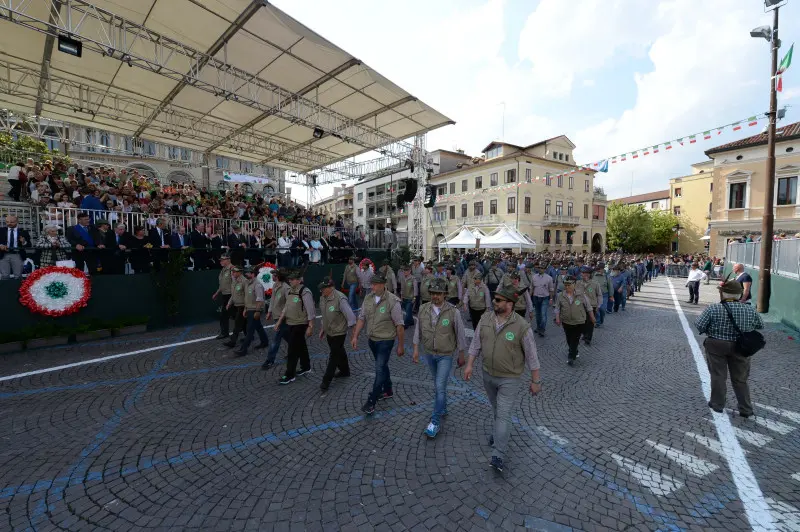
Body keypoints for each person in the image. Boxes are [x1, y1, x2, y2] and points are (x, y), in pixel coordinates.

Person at [464, 286, 542, 472]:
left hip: (510, 378)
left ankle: (498, 453)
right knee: (497, 408)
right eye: (494, 299)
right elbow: (476, 343)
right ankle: (498, 434)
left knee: (504, 414)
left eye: (498, 300)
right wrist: (469, 364)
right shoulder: (485, 318)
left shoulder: (522, 326)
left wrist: (535, 381)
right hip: (488, 374)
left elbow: (532, 356)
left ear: (510, 304)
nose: (494, 302)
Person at [695, 280, 764, 417]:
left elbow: (699, 325)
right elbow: (760, 325)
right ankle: (745, 408)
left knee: (718, 376)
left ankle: (717, 404)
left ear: (722, 294)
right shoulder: (749, 309)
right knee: (740, 379)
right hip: (741, 347)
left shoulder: (713, 308)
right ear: (739, 294)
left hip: (716, 345)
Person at [412, 278, 467, 438]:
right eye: (433, 293)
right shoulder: (423, 309)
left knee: (439, 386)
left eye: (439, 293)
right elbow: (418, 331)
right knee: (438, 384)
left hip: (445, 355)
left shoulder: (453, 312)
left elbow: (461, 334)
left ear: (445, 294)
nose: (435, 296)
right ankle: (442, 408)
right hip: (429, 353)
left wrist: (461, 354)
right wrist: (416, 349)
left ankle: (434, 422)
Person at [351, 273, 405, 415]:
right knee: (382, 366)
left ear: (383, 285)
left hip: (386, 341)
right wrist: (355, 336)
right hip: (372, 340)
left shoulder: (393, 301)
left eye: (375, 284)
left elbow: (399, 325)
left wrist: (400, 345)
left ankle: (371, 401)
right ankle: (388, 390)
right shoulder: (368, 299)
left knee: (379, 369)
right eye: (372, 284)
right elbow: (361, 318)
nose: (372, 287)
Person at [275, 270, 315, 384]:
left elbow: (310, 310)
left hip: (300, 323)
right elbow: (286, 307)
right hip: (291, 322)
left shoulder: (305, 292)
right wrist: (279, 321)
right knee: (301, 345)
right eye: (289, 279)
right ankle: (306, 366)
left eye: (292, 279)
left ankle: (289, 374)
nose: (290, 281)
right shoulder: (290, 291)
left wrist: (310, 326)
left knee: (292, 349)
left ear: (299, 280)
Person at [318, 277, 357, 391]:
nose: (322, 290)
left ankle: (326, 380)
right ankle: (345, 371)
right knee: (339, 351)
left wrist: (354, 333)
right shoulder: (322, 298)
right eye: (321, 288)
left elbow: (350, 316)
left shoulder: (340, 298)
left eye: (324, 288)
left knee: (334, 355)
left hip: (339, 331)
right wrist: (322, 328)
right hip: (329, 330)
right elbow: (324, 315)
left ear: (331, 287)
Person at [554, 276, 595, 366]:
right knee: (569, 339)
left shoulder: (581, 295)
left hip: (579, 321)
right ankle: (574, 350)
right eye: (566, 285)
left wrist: (592, 318)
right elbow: (557, 308)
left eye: (569, 285)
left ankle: (571, 357)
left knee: (575, 338)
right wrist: (557, 318)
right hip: (566, 321)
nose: (567, 287)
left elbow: (588, 307)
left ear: (574, 284)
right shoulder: (560, 295)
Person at [234, 266, 269, 356]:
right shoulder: (248, 284)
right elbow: (247, 298)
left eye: (248, 273)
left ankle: (243, 349)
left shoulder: (257, 285)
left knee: (250, 330)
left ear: (253, 274)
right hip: (250, 309)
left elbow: (260, 299)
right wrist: (245, 308)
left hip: (254, 310)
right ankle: (265, 341)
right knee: (258, 327)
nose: (246, 274)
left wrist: (257, 311)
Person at [262, 269, 290, 370]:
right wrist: (269, 312)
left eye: (273, 275)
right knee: (288, 337)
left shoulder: (286, 288)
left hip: (282, 318)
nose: (272, 276)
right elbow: (273, 299)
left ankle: (270, 360)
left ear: (277, 276)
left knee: (276, 340)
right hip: (276, 316)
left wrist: (280, 319)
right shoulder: (275, 286)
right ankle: (297, 350)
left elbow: (288, 304)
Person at [576, 267, 602, 346]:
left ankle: (588, 338)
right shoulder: (577, 283)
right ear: (581, 274)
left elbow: (599, 295)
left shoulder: (595, 283)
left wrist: (599, 305)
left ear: (590, 274)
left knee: (590, 323)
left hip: (592, 305)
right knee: (582, 322)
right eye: (583, 273)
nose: (585, 275)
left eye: (587, 273)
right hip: (580, 305)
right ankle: (584, 333)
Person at [0, 215, 31, 280]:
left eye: (12, 222)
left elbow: (29, 245)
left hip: (17, 255)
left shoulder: (23, 232)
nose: (9, 223)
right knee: (4, 276)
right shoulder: (1, 231)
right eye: (7, 222)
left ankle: (17, 290)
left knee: (18, 276)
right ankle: (5, 290)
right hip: (3, 255)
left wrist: (24, 242)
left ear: (17, 222)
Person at [224, 266, 247, 349]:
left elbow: (247, 296)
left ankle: (233, 341)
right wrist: (229, 303)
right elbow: (233, 294)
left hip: (242, 306)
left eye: (234, 272)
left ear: (240, 272)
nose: (233, 273)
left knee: (237, 324)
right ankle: (249, 337)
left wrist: (246, 308)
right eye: (232, 272)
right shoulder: (234, 281)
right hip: (237, 305)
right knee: (244, 324)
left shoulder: (244, 281)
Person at [212, 254, 233, 339]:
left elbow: (237, 283)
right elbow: (222, 284)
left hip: (232, 295)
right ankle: (224, 333)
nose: (221, 261)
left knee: (237, 315)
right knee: (225, 315)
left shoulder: (232, 269)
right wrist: (216, 293)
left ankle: (249, 333)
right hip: (225, 295)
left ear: (228, 260)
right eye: (220, 260)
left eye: (222, 260)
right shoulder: (223, 270)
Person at [530, 263, 554, 337]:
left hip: (545, 298)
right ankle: (538, 327)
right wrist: (529, 298)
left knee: (543, 314)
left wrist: (551, 298)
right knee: (537, 314)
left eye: (542, 268)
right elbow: (532, 288)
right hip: (536, 297)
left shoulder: (549, 278)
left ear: (545, 269)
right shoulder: (534, 277)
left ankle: (542, 329)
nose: (540, 269)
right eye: (539, 268)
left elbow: (551, 289)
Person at [592, 262, 613, 327]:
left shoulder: (606, 276)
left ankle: (601, 320)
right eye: (600, 269)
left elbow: (610, 286)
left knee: (603, 309)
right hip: (595, 295)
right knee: (597, 309)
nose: (601, 270)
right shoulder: (593, 276)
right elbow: (590, 286)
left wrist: (611, 295)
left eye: (602, 268)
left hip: (604, 295)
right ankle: (598, 322)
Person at [398, 263, 418, 328]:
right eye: (404, 270)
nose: (405, 272)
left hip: (410, 298)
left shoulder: (413, 279)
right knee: (407, 311)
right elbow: (402, 288)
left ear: (410, 271)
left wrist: (414, 298)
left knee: (408, 310)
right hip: (404, 297)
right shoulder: (402, 278)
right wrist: (401, 296)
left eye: (406, 270)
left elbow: (415, 289)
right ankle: (411, 321)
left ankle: (405, 324)